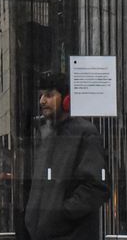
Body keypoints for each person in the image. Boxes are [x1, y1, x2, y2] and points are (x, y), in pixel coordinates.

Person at [20, 71, 108, 240]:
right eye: (40, 96)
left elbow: (96, 187)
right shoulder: (47, 137)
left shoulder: (84, 133)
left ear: (67, 99)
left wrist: (60, 213)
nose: (42, 101)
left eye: (49, 95)